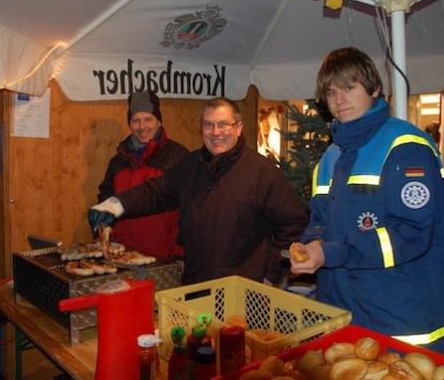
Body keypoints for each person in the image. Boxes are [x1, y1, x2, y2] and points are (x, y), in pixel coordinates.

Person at [289, 47, 444, 356]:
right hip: (343, 312)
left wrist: (329, 252)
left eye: (349, 88)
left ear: (375, 88)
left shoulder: (406, 148)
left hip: (401, 320)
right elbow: (320, 221)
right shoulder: (330, 157)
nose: (339, 100)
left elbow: (411, 234)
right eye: (331, 92)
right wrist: (310, 246)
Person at [89, 97, 308, 285]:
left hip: (243, 289)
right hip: (196, 285)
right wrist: (115, 205)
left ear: (238, 127)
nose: (215, 132)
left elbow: (293, 226)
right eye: (208, 125)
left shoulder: (262, 171)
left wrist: (270, 275)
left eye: (224, 125)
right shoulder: (190, 165)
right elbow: (156, 192)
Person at [96, 90, 189, 260]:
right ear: (130, 124)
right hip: (124, 256)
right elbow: (106, 195)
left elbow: (189, 210)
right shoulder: (118, 161)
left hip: (163, 256)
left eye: (148, 119)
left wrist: (180, 254)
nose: (142, 126)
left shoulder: (177, 156)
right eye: (136, 120)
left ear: (159, 121)